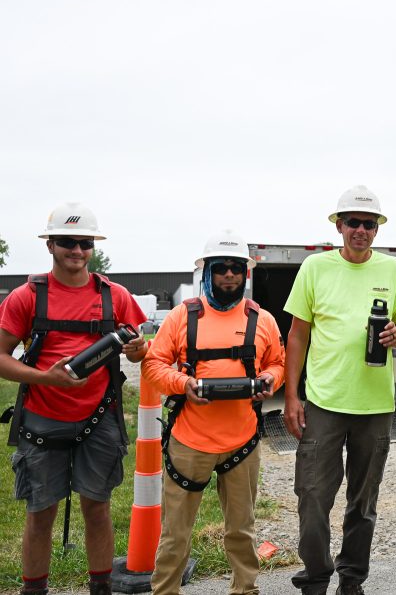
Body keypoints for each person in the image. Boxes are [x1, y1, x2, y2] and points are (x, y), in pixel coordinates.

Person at [0, 203, 148, 595]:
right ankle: (35, 590)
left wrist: (137, 350)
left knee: (97, 508)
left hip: (99, 419)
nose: (77, 250)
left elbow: (139, 346)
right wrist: (44, 378)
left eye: (84, 242)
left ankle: (100, 589)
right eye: (67, 242)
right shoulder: (27, 297)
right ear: (50, 245)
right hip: (41, 419)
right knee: (40, 513)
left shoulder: (114, 296)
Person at [283, 185, 396, 595]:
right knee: (313, 496)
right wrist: (291, 397)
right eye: (353, 222)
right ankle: (315, 578)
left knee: (363, 501)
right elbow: (298, 335)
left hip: (374, 406)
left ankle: (352, 580)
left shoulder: (392, 270)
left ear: (377, 230)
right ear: (338, 226)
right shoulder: (315, 268)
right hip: (323, 401)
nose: (360, 229)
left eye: (368, 223)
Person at [142, 232, 285, 595]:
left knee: (241, 529)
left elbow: (277, 362)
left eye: (236, 268)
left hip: (243, 441)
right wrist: (182, 384)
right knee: (176, 532)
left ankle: (245, 589)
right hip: (190, 440)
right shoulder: (181, 317)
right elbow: (153, 364)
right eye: (220, 268)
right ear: (206, 271)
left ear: (245, 273)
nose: (229, 275)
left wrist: (270, 377)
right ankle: (165, 591)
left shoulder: (262, 319)